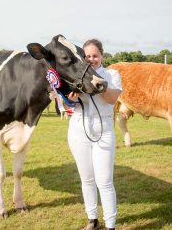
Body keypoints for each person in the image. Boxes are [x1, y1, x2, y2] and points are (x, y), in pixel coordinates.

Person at [67, 39, 122, 230]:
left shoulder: (112, 74)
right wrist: (70, 99)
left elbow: (112, 99)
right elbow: (68, 106)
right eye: (88, 56)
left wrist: (100, 85)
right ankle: (93, 220)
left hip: (103, 130)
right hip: (78, 129)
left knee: (105, 181)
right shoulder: (76, 75)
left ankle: (110, 225)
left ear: (102, 56)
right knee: (87, 179)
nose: (92, 59)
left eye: (95, 55)